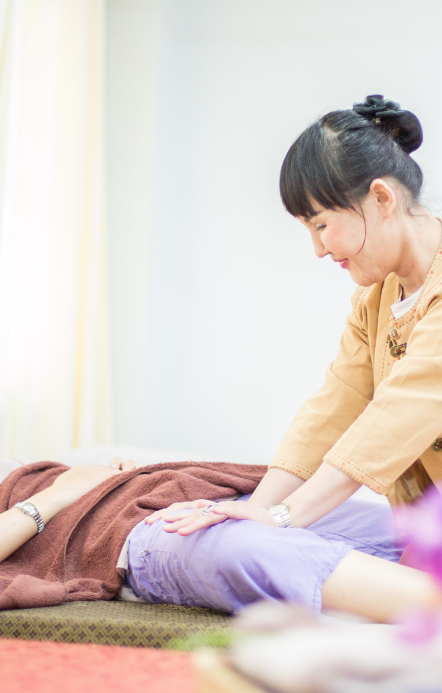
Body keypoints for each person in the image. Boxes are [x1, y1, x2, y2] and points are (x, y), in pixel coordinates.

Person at [0, 387, 438, 623]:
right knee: (247, 548)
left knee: (367, 520)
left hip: (132, 495)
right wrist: (58, 494)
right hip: (112, 535)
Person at [148, 95, 442, 556]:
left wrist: (285, 516)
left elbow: (399, 413)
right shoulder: (375, 301)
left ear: (381, 198)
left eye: (321, 225)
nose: (318, 250)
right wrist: (254, 511)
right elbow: (333, 408)